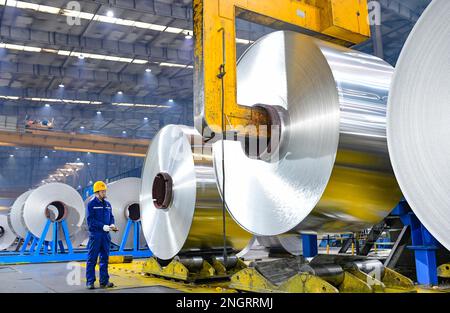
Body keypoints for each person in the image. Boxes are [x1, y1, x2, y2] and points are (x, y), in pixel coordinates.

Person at [85, 180, 118, 289]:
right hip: (96, 235)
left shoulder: (108, 204)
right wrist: (102, 226)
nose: (104, 193)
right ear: (97, 192)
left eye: (104, 191)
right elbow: (90, 221)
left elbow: (111, 216)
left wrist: (112, 224)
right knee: (92, 259)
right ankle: (90, 281)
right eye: (102, 191)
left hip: (105, 236)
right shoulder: (91, 204)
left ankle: (104, 281)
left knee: (104, 258)